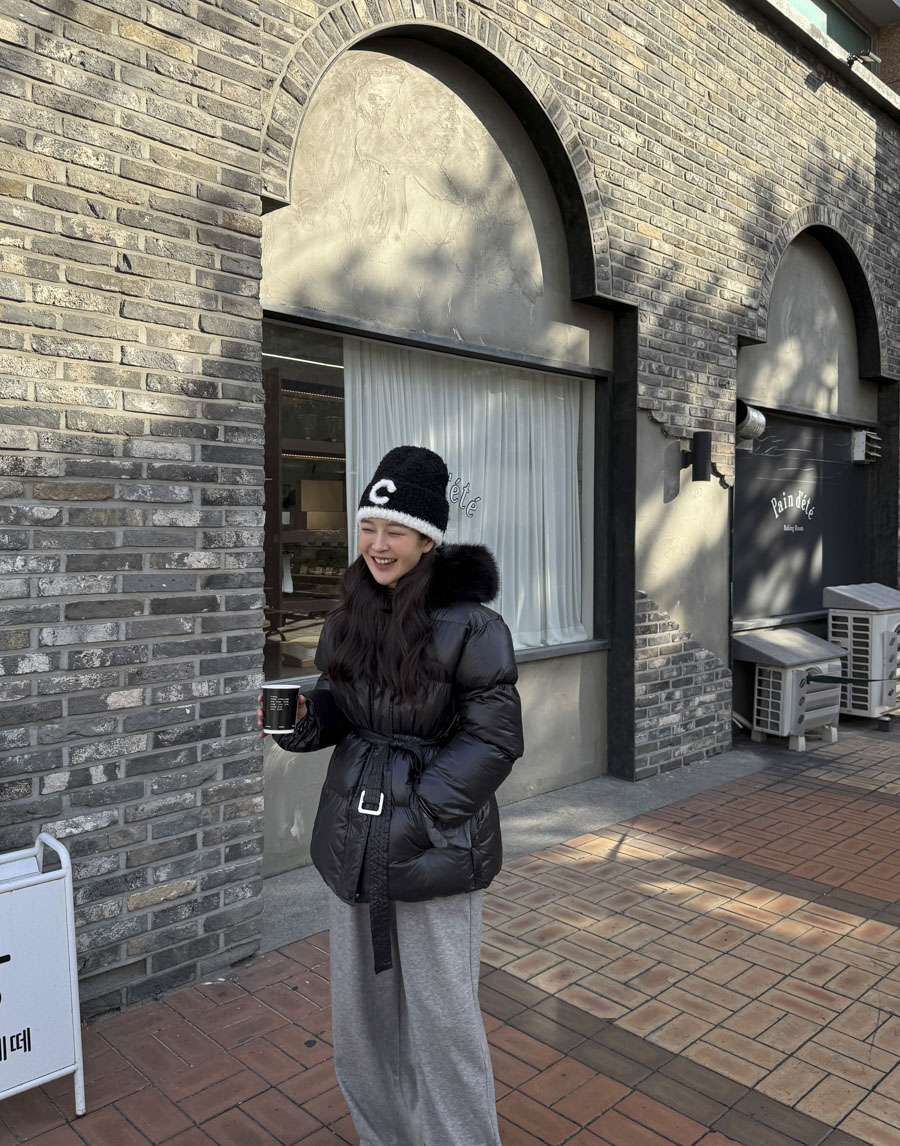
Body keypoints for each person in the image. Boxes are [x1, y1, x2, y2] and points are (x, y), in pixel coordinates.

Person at [258, 445, 524, 1146]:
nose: (378, 544)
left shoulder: (474, 626)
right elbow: (342, 705)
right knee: (361, 1019)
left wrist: (421, 815)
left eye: (395, 530)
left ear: (428, 538)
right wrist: (305, 723)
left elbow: (494, 741)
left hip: (435, 846)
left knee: (442, 1020)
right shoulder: (350, 613)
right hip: (353, 837)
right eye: (368, 527)